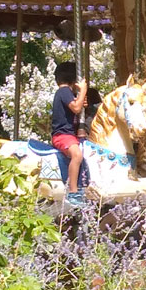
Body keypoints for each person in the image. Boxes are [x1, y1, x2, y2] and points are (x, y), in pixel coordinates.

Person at [51, 61, 88, 197]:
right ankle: (73, 191)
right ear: (74, 80)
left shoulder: (63, 93)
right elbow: (76, 108)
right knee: (77, 155)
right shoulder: (64, 90)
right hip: (62, 135)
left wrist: (80, 99)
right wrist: (83, 91)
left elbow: (76, 107)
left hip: (67, 134)